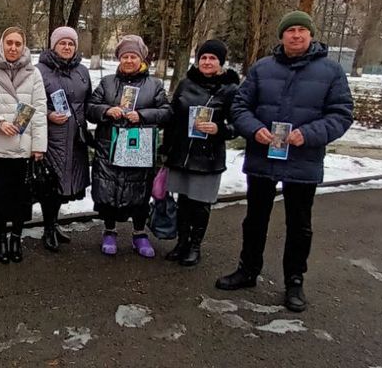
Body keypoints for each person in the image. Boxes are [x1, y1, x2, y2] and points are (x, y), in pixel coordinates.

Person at [216, 11, 354, 312]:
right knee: (255, 219)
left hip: (303, 159)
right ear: (282, 36)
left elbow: (342, 114)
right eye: (290, 30)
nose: (296, 35)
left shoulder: (331, 71)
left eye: (301, 30)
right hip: (263, 156)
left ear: (311, 35)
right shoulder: (262, 68)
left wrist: (309, 134)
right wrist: (255, 129)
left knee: (299, 224)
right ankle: (248, 269)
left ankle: (294, 281)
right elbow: (240, 107)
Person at [86, 35, 172, 257]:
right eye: (125, 57)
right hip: (110, 147)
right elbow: (90, 108)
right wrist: (107, 110)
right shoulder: (107, 82)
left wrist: (142, 115)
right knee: (109, 190)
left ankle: (139, 234)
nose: (129, 61)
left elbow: (166, 112)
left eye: (133, 56)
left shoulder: (154, 85)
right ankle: (109, 230)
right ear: (119, 59)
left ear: (141, 59)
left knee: (139, 191)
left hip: (139, 148)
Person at [0, 26, 47, 264]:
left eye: (18, 43)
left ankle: (16, 237)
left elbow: (39, 111)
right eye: (9, 43)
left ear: (23, 47)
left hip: (23, 147)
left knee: (21, 196)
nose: (13, 48)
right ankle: (0, 239)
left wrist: (39, 146)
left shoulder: (34, 74)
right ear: (1, 44)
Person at [163, 39, 240, 266]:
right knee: (183, 201)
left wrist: (219, 129)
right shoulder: (186, 84)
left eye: (212, 58)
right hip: (181, 153)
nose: (207, 62)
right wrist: (165, 148)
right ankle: (181, 242)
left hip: (208, 157)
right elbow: (172, 117)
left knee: (200, 203)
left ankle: (195, 246)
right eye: (203, 58)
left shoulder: (230, 90)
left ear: (221, 62)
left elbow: (238, 124)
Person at [36, 26, 91, 251]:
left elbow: (88, 102)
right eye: (62, 43)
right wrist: (49, 114)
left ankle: (55, 223)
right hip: (51, 137)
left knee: (66, 185)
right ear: (53, 46)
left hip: (75, 137)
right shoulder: (39, 71)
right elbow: (30, 103)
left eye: (71, 43)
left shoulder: (82, 71)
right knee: (51, 184)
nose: (67, 47)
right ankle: (48, 228)